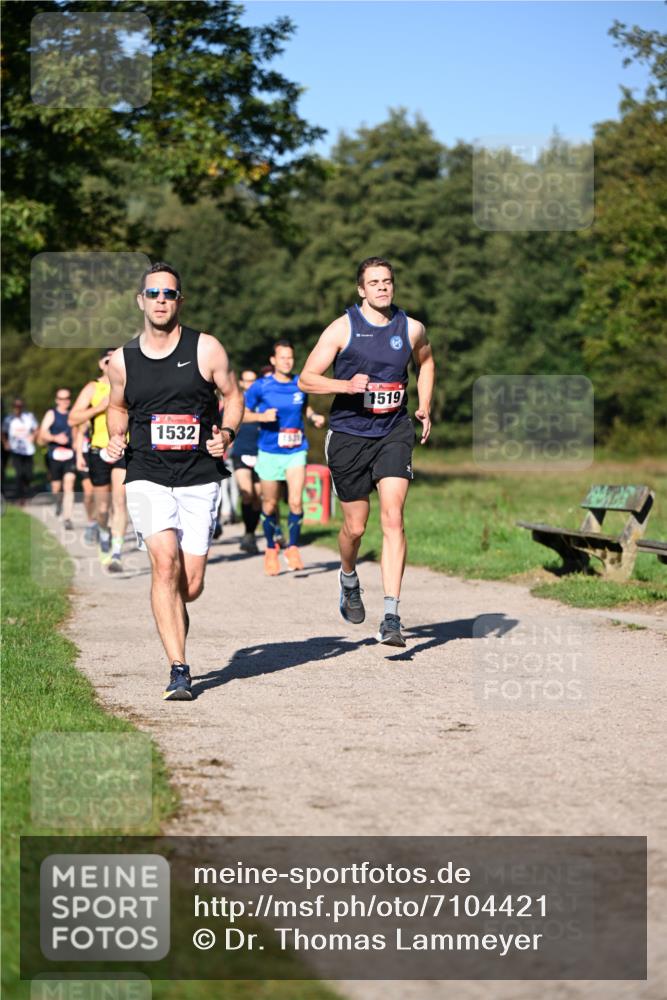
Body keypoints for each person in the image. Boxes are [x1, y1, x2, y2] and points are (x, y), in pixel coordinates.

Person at [105, 261, 244, 702]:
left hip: (199, 475)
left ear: (179, 301)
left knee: (191, 584)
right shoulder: (122, 360)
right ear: (140, 301)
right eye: (153, 293)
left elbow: (233, 397)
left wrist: (227, 433)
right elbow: (117, 406)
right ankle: (179, 668)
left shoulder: (206, 349)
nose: (161, 300)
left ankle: (175, 611)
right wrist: (115, 436)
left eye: (169, 293)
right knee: (164, 563)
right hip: (146, 472)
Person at [299, 256, 435, 647]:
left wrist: (425, 404)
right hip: (349, 436)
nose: (382, 287)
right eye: (374, 282)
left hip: (393, 431)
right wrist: (345, 386)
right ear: (361, 289)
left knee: (393, 518)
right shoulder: (342, 328)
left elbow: (426, 361)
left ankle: (391, 616)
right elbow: (306, 379)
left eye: (387, 281)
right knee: (356, 528)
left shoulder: (411, 328)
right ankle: (348, 577)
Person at [244, 340, 325, 575]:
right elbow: (240, 414)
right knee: (269, 504)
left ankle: (293, 548)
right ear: (273, 360)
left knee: (296, 501)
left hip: (296, 451)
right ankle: (271, 549)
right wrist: (261, 417)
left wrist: (313, 417)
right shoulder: (260, 386)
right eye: (282, 358)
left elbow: (305, 408)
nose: (287, 362)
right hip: (269, 452)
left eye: (290, 357)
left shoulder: (301, 383)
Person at [69, 349, 128, 571]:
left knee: (120, 501)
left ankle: (117, 553)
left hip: (123, 449)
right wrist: (99, 408)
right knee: (102, 507)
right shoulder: (93, 388)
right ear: (101, 364)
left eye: (116, 360)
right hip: (98, 451)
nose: (112, 364)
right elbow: (73, 418)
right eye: (107, 360)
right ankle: (104, 533)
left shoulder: (129, 384)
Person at [230, 369, 263, 554]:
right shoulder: (237, 401)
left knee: (258, 496)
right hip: (241, 451)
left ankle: (251, 533)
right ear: (241, 383)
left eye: (253, 380)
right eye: (247, 381)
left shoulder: (262, 400)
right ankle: (247, 534)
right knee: (247, 493)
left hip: (261, 452)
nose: (250, 384)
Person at [37, 388, 76, 529]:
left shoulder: (74, 414)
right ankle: (58, 502)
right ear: (56, 400)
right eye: (61, 398)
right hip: (54, 455)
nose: (64, 401)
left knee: (69, 483)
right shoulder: (51, 414)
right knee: (56, 487)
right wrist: (55, 438)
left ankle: (67, 518)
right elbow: (42, 433)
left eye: (67, 398)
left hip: (70, 455)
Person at [1, 398, 38, 505]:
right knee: (19, 473)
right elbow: (3, 432)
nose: (18, 408)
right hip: (15, 450)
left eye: (20, 406)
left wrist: (33, 436)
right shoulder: (9, 419)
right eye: (16, 406)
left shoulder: (29, 417)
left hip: (28, 450)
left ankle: (26, 489)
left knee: (29, 474)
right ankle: (20, 496)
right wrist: (5, 443)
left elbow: (36, 429)